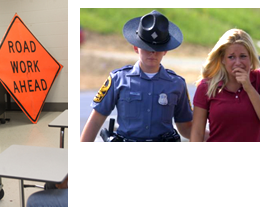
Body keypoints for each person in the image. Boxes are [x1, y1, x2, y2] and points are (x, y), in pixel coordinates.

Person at [80, 10, 193, 142]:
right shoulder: (118, 79)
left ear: (165, 50)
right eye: (147, 47)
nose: (152, 52)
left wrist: (216, 136)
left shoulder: (177, 84)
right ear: (135, 47)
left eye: (158, 48)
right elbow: (95, 121)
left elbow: (186, 127)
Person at [190, 29, 260, 142]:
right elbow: (197, 132)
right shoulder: (206, 86)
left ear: (251, 57)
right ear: (222, 59)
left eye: (243, 56)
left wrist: (249, 88)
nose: (238, 62)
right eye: (231, 57)